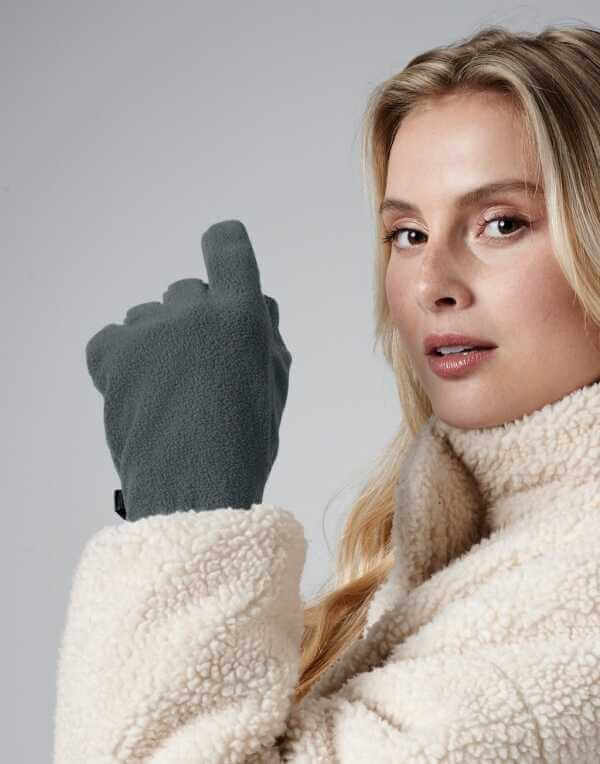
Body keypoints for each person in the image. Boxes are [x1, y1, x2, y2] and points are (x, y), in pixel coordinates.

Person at [54, 22, 600, 762]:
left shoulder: (576, 598)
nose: (431, 283)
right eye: (407, 234)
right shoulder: (455, 553)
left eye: (501, 224)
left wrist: (187, 503)